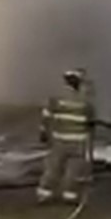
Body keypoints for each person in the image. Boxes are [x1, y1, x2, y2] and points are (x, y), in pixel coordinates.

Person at [38, 68, 95, 204]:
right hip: (77, 143)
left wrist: (44, 133)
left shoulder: (56, 98)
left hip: (60, 141)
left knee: (53, 168)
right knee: (73, 171)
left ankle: (45, 194)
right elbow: (90, 124)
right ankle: (69, 195)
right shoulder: (85, 102)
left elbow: (46, 116)